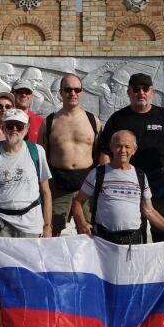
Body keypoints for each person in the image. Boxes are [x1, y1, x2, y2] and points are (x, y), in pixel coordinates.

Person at [0, 108, 54, 327]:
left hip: (30, 225)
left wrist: (48, 226)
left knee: (27, 282)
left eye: (18, 127)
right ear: (3, 125)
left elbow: (46, 192)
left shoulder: (36, 152)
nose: (13, 130)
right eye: (9, 125)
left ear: (26, 128)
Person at [99, 73, 164, 241]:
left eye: (145, 89)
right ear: (129, 92)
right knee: (131, 237)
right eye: (136, 89)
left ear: (152, 92)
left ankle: (162, 268)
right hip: (128, 185)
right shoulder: (118, 119)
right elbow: (105, 151)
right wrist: (104, 182)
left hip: (160, 185)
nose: (141, 92)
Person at [70, 130, 164, 245]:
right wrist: (82, 223)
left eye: (127, 147)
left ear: (134, 150)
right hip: (103, 241)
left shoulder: (140, 176)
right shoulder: (98, 173)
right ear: (111, 148)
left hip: (132, 242)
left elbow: (149, 211)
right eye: (118, 146)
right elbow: (77, 201)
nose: (122, 150)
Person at [38, 73, 100, 234]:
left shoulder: (93, 121)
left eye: (77, 89)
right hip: (58, 185)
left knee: (89, 231)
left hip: (86, 185)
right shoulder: (49, 122)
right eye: (68, 89)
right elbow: (41, 157)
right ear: (61, 92)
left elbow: (100, 153)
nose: (73, 93)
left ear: (82, 92)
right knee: (54, 231)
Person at [0, 79, 45, 143]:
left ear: (32, 96)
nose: (24, 95)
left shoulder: (41, 122)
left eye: (27, 92)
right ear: (12, 93)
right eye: (20, 91)